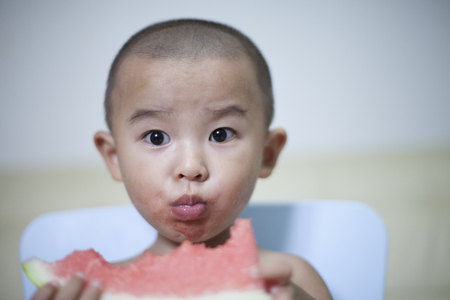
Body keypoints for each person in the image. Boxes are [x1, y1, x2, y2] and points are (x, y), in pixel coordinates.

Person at [31, 19, 333, 300]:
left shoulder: (295, 281)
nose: (190, 168)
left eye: (221, 134)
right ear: (114, 157)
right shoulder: (89, 292)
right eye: (156, 137)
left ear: (267, 155)